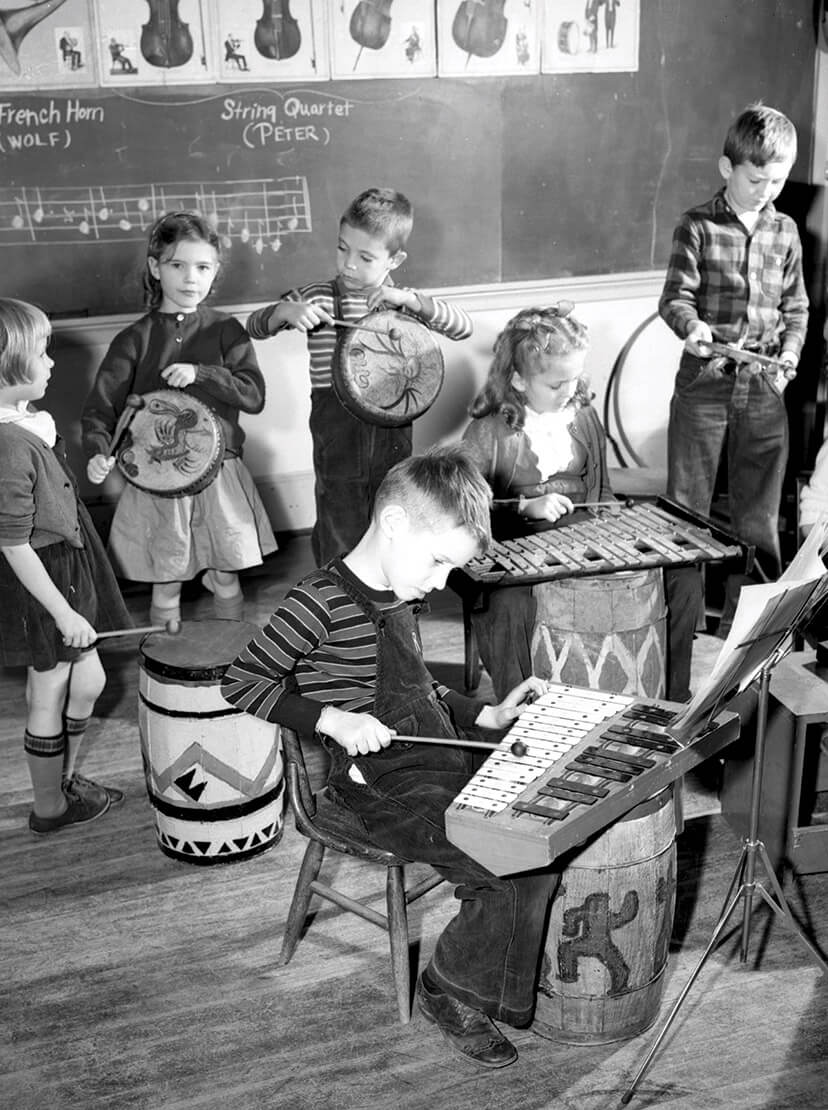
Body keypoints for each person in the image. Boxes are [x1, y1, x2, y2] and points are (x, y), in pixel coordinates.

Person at [222, 444, 559, 1068]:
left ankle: (500, 962)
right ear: (396, 524)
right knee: (503, 863)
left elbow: (419, 686)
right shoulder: (316, 603)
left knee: (540, 826)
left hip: (440, 751)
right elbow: (240, 682)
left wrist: (483, 714)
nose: (439, 582)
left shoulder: (399, 592)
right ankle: (449, 989)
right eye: (437, 563)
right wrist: (330, 718)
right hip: (375, 784)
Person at [0, 297, 131, 834]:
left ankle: (62, 773)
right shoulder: (1, 446)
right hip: (42, 580)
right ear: (3, 364)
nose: (50, 363)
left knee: (86, 679)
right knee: (49, 687)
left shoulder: (9, 421)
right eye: (41, 353)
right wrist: (65, 614)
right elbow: (17, 545)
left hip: (62, 565)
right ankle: (50, 805)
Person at [461, 304, 697, 703]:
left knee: (683, 577)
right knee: (510, 605)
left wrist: (620, 540)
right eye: (555, 385)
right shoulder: (488, 433)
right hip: (510, 551)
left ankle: (672, 701)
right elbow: (462, 511)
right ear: (518, 380)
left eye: (574, 379)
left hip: (579, 541)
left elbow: (601, 494)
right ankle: (515, 712)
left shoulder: (583, 416)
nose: (568, 392)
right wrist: (522, 507)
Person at [244, 187, 473, 565]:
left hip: (391, 424)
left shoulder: (403, 304)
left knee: (392, 505)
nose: (349, 264)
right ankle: (336, 593)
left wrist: (412, 301)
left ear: (395, 259)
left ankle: (388, 588)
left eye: (365, 257)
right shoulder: (314, 297)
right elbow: (255, 326)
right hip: (336, 422)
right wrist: (285, 312)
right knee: (339, 505)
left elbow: (462, 327)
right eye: (341, 248)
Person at [82, 211, 276, 627]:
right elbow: (100, 410)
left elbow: (253, 395)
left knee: (226, 578)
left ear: (215, 271)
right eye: (177, 265)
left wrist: (202, 373)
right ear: (155, 268)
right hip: (158, 484)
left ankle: (232, 659)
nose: (191, 278)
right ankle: (167, 670)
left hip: (220, 476)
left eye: (203, 267)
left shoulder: (227, 331)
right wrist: (100, 452)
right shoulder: (134, 339)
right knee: (166, 583)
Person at [659, 103, 809, 638]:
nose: (767, 190)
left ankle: (747, 633)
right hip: (705, 384)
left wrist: (789, 353)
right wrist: (692, 329)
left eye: (778, 180)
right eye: (755, 179)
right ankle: (679, 623)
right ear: (728, 169)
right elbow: (675, 298)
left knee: (758, 520)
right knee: (686, 512)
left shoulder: (786, 230)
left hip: (764, 386)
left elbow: (796, 308)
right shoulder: (697, 225)